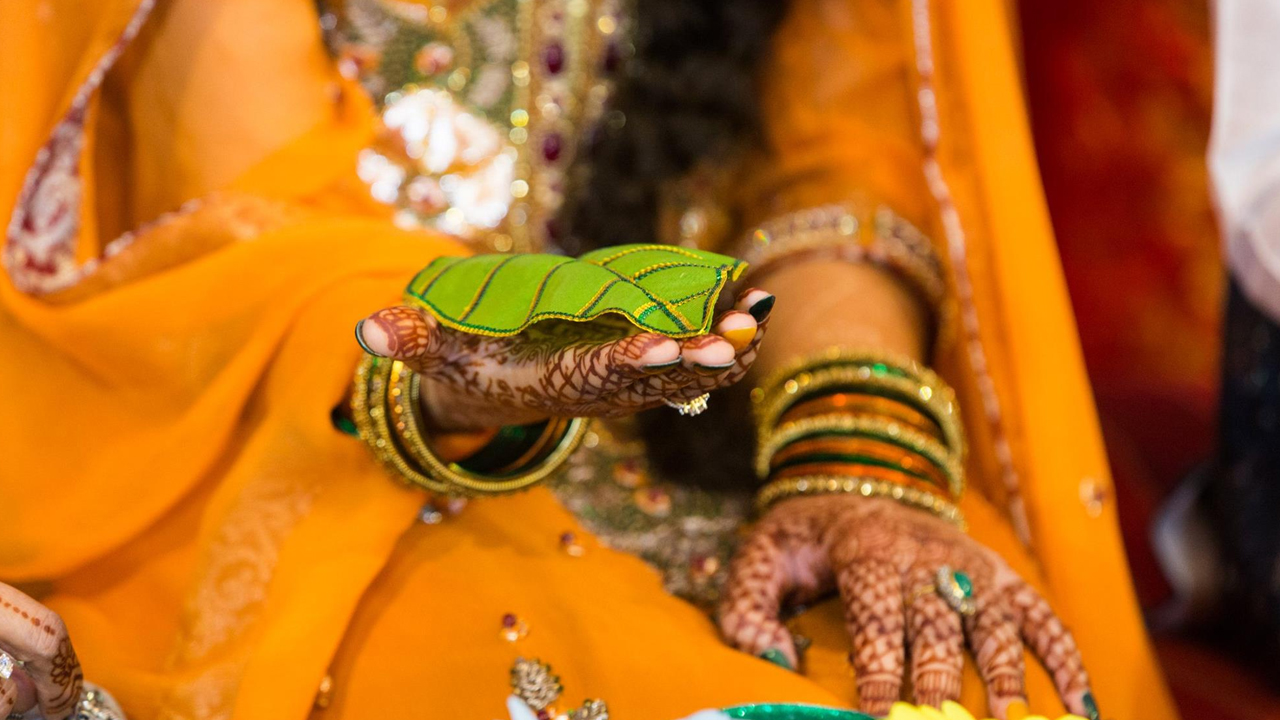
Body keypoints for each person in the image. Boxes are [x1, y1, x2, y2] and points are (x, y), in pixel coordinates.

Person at [0, 0, 1177, 718]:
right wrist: (463, 379)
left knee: (961, 676)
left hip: (722, 416)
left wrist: (852, 456)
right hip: (313, 438)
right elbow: (253, 216)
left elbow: (840, 172)